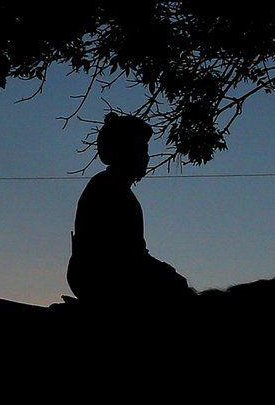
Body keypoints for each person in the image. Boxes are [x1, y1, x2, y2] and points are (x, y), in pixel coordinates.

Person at [67, 113, 194, 311]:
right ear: (124, 151)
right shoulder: (108, 189)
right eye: (142, 150)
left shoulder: (113, 188)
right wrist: (163, 272)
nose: (147, 158)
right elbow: (121, 255)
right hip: (103, 279)